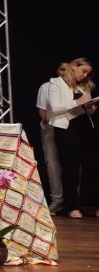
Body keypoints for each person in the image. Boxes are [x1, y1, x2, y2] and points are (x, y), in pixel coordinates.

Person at [48, 58, 96, 219]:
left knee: (92, 167)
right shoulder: (56, 83)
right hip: (67, 129)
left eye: (88, 73)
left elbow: (89, 111)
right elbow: (55, 108)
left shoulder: (84, 86)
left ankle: (92, 204)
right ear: (74, 66)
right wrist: (77, 102)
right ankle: (72, 206)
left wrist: (90, 106)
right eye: (83, 71)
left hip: (85, 128)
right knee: (71, 168)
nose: (85, 75)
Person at [37, 62, 68, 213]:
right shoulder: (46, 87)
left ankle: (73, 201)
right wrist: (46, 118)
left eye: (68, 69)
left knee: (72, 166)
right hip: (51, 128)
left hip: (71, 129)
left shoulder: (75, 87)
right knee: (53, 166)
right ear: (56, 71)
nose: (65, 72)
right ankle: (57, 200)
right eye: (62, 69)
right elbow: (42, 110)